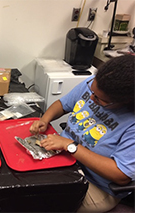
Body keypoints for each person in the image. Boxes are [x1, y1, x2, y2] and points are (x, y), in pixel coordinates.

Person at [30, 55, 135, 212]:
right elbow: (63, 104)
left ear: (127, 101)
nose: (91, 98)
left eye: (100, 100)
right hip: (66, 160)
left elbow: (121, 175)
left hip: (96, 186)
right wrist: (45, 119)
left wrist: (70, 146)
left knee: (41, 203)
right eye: (92, 90)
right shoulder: (95, 84)